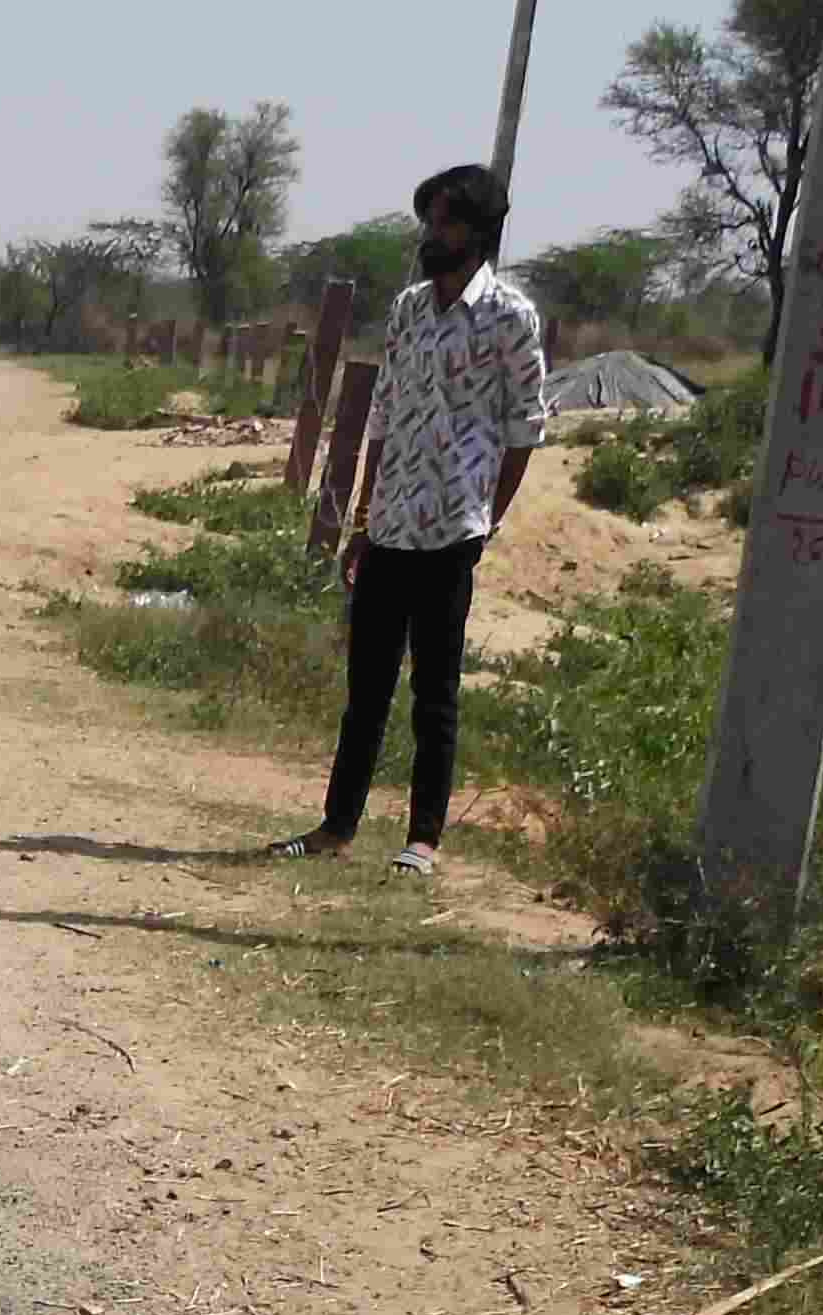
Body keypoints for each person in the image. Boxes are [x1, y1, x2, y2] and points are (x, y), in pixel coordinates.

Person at [280, 163, 551, 878]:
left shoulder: (511, 318)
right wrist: (364, 518)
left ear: (478, 232)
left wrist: (488, 520)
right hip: (391, 522)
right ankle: (336, 827)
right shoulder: (407, 310)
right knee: (366, 689)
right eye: (428, 220)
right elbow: (385, 414)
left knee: (435, 692)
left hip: (453, 529)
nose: (432, 234)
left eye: (446, 222)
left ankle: (423, 839)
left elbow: (525, 430)